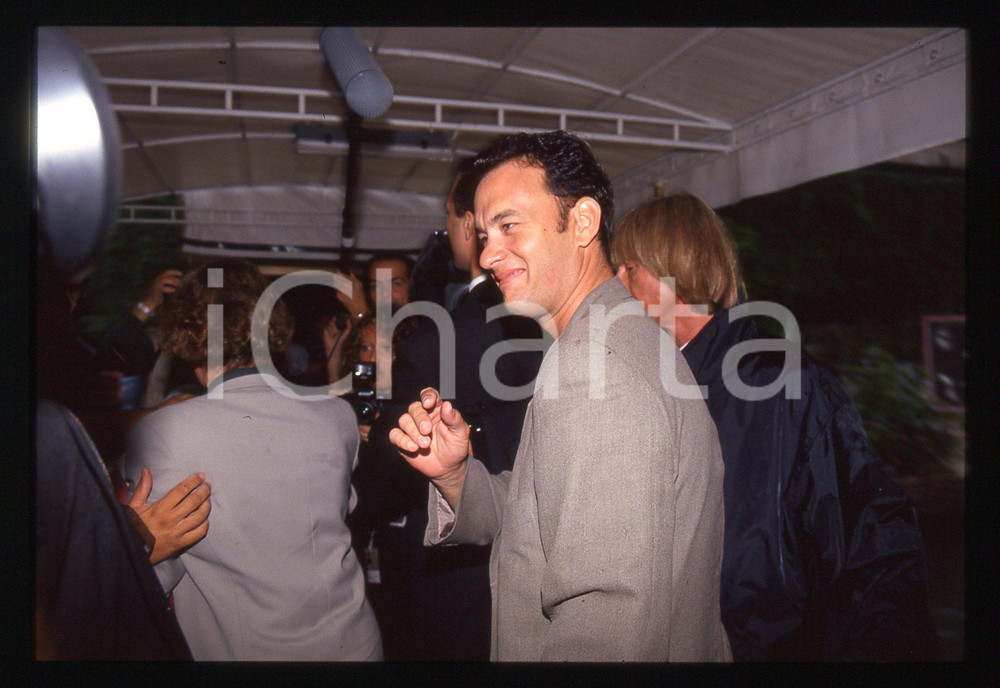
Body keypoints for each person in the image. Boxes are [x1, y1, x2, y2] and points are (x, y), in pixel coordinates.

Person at [388, 131, 731, 661]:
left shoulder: (598, 368)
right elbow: (547, 513)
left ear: (583, 223)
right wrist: (458, 477)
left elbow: (606, 622)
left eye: (508, 226)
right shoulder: (609, 340)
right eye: (482, 233)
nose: (488, 253)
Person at [611, 191, 940, 661]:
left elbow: (875, 548)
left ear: (674, 267)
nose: (616, 287)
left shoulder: (785, 383)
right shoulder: (650, 388)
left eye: (629, 269)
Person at [123, 259, 382, 661]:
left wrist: (129, 544)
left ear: (185, 331)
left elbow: (146, 576)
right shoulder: (338, 418)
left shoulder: (161, 432)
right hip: (356, 645)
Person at [355, 158, 545, 660]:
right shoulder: (553, 321)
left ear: (469, 224)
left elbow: (391, 464)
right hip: (537, 557)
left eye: (449, 218)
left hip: (457, 560)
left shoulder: (440, 338)